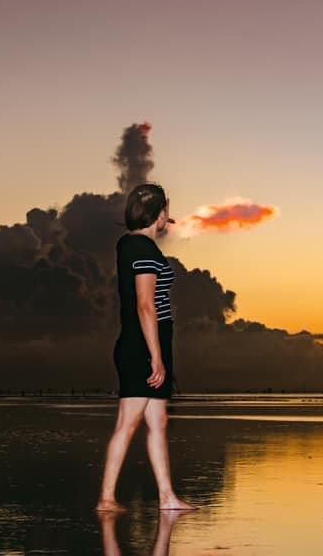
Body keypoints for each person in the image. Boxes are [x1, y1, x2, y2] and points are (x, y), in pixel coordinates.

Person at [96, 182, 196, 512]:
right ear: (160, 213)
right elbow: (145, 306)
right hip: (142, 347)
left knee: (158, 420)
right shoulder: (142, 249)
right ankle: (107, 499)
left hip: (146, 343)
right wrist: (156, 357)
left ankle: (167, 497)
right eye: (166, 210)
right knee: (129, 421)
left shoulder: (133, 245)